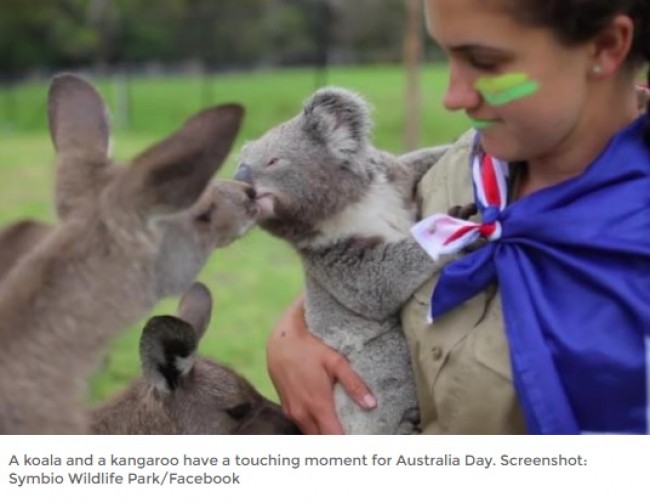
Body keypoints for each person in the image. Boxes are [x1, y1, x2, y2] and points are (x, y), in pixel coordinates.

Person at [267, 0, 650, 434]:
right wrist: (290, 336)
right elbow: (359, 280)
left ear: (605, 47)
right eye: (444, 55)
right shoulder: (448, 173)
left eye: (484, 61)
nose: (454, 96)